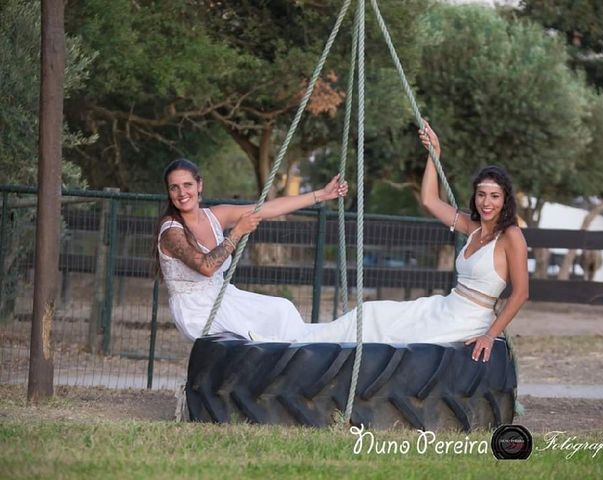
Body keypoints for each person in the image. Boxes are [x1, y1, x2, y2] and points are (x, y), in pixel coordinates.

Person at [257, 120, 529, 362]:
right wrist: (434, 155)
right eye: (482, 194)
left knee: (391, 332)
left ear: (505, 199)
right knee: (372, 312)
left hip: (467, 319)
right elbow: (429, 200)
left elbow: (520, 293)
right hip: (444, 306)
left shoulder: (510, 236)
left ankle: (301, 345)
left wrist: (491, 335)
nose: (487, 202)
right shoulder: (472, 225)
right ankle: (298, 336)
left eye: (494, 196)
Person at [156, 158, 348, 342]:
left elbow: (269, 208)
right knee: (277, 318)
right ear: (169, 192)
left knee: (283, 309)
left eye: (187, 185)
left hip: (222, 298)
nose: (182, 192)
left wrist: (321, 195)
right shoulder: (171, 231)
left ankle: (305, 355)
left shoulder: (215, 215)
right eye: (174, 187)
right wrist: (237, 232)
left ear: (199, 185)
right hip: (196, 311)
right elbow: (206, 267)